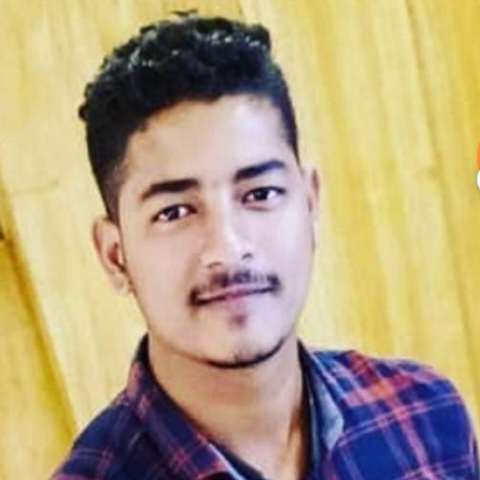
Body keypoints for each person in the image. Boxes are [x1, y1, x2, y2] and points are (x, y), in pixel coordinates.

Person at [52, 13, 479, 480]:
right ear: (115, 256)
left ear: (310, 204)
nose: (228, 247)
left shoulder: (425, 416)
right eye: (174, 212)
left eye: (260, 194)